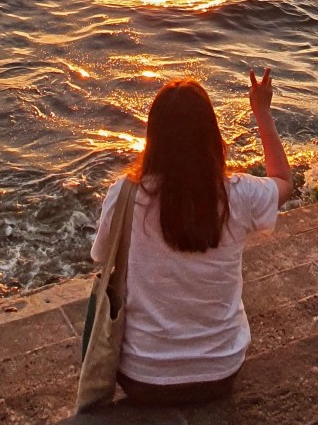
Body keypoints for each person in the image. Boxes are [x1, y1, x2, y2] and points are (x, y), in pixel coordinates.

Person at [89, 68, 293, 407]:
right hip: (220, 370)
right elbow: (283, 180)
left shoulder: (125, 194)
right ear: (211, 136)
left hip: (142, 376)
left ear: (152, 138)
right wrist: (262, 113)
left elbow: (101, 258)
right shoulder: (237, 194)